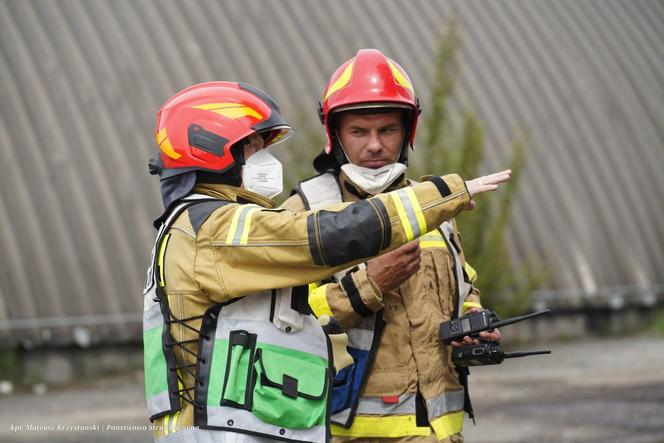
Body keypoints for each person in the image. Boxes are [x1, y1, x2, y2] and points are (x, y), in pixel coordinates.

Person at [143, 80, 510, 443]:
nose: (264, 160)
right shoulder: (213, 230)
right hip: (218, 431)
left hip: (228, 427)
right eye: (253, 148)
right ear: (210, 150)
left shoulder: (205, 224)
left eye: (387, 129)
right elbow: (328, 237)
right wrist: (442, 196)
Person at [281, 49, 502, 443]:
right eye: (359, 132)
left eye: (387, 130)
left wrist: (473, 320)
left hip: (440, 430)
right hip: (355, 432)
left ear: (407, 132)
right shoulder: (305, 211)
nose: (375, 145)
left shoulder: (435, 208)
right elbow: (283, 321)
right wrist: (369, 285)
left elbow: (462, 283)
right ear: (335, 135)